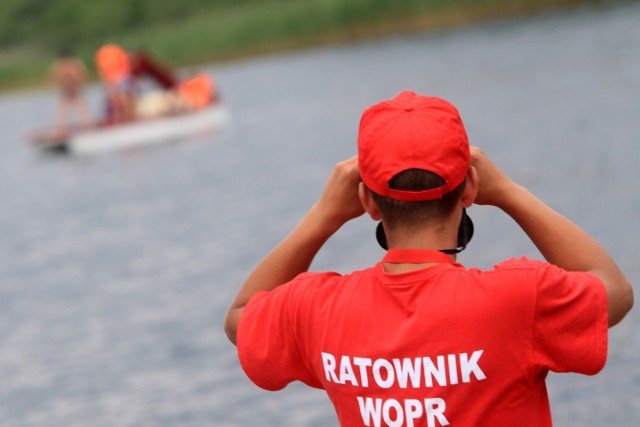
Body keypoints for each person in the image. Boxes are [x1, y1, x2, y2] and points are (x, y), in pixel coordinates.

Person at [224, 90, 633, 426]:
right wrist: (509, 192)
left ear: (366, 200)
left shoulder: (316, 310)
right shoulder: (519, 298)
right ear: (470, 188)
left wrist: (321, 217)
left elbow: (240, 318)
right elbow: (613, 290)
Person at [48, 48, 92, 128]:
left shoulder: (69, 65)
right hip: (67, 90)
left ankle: (85, 124)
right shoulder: (73, 64)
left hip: (73, 89)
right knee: (66, 108)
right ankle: (62, 127)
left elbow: (81, 76)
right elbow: (83, 75)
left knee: (76, 107)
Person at [94, 44, 136, 123]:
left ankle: (125, 115)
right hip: (121, 77)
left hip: (115, 79)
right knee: (122, 98)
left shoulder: (101, 54)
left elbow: (102, 72)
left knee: (119, 98)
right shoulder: (116, 49)